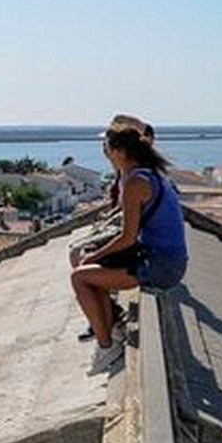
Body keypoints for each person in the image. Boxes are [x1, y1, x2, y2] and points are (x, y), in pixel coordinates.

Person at [71, 122, 187, 375]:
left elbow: (127, 237)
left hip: (161, 266)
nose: (105, 153)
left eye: (108, 148)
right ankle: (110, 327)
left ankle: (107, 347)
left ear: (120, 152)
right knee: (88, 266)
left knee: (80, 277)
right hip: (161, 257)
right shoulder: (146, 174)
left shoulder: (136, 183)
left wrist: (94, 255)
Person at [68, 117, 155, 340]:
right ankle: (104, 315)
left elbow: (128, 230)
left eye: (107, 145)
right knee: (78, 253)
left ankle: (105, 324)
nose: (104, 151)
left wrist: (126, 120)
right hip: (126, 227)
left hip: (136, 238)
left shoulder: (136, 174)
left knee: (81, 257)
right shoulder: (125, 173)